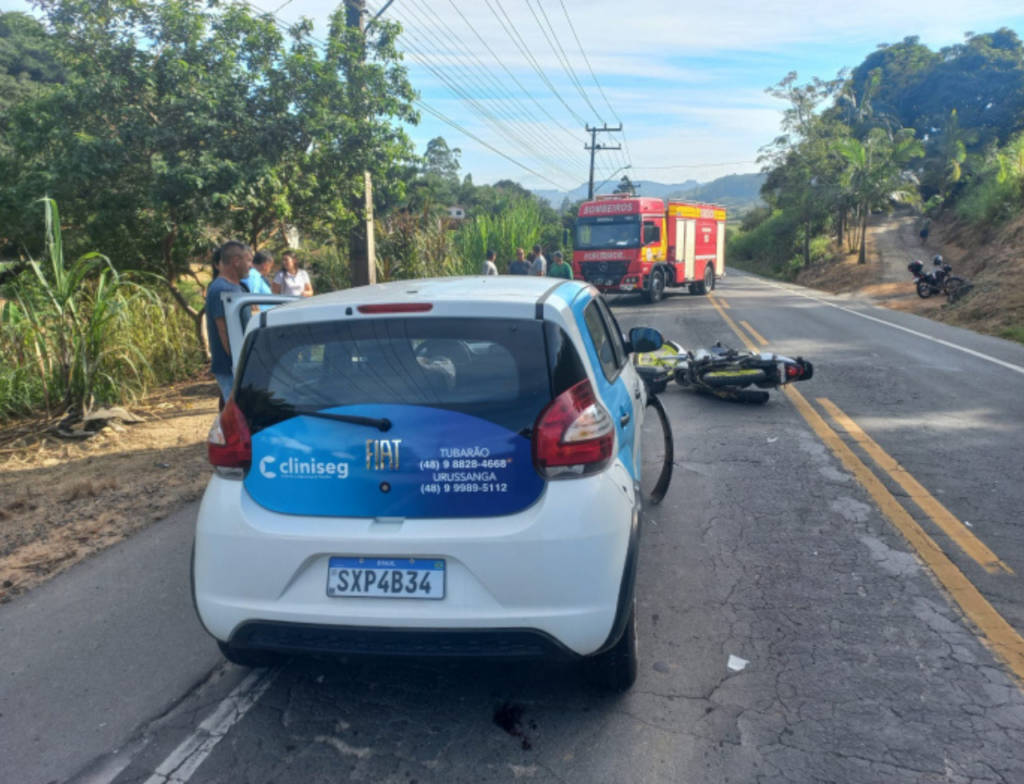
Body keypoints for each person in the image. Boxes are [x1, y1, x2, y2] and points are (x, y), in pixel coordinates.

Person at [206, 241, 252, 406]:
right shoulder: (220, 289)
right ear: (236, 261)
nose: (251, 265)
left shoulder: (237, 288)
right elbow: (223, 331)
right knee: (237, 412)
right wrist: (238, 365)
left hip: (239, 363)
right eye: (248, 260)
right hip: (230, 367)